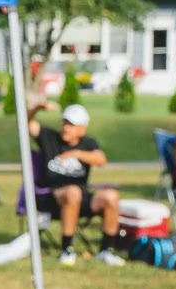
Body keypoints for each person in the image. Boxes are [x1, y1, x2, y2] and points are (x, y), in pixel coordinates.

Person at [27, 101, 124, 267]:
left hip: (81, 196)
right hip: (53, 196)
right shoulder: (49, 137)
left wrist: (77, 153)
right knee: (73, 192)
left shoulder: (88, 144)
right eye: (65, 123)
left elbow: (101, 159)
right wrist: (37, 108)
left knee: (110, 196)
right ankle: (66, 249)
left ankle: (106, 251)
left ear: (82, 129)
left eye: (72, 125)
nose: (66, 128)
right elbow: (26, 124)